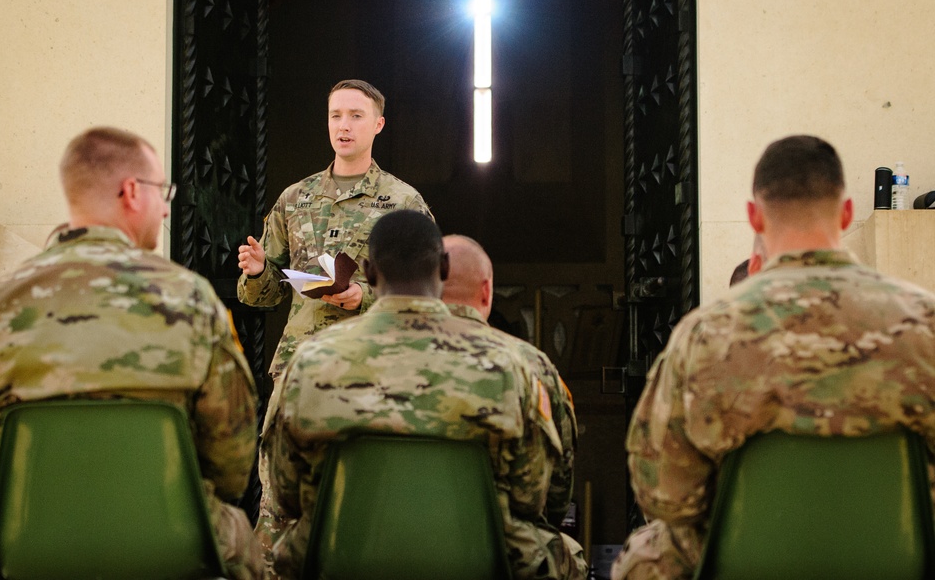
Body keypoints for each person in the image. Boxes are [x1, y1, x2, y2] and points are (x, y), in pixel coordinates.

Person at [0, 127, 263, 580]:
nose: (168, 206)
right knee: (243, 537)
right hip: (167, 545)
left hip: (25, 545)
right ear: (132, 192)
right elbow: (232, 464)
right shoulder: (190, 298)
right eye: (163, 191)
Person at [610, 134, 935, 580]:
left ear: (753, 216)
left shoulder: (705, 334)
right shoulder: (925, 322)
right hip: (902, 562)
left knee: (643, 556)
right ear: (846, 213)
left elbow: (662, 494)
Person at [260, 210, 587, 579]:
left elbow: (285, 492)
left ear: (368, 272)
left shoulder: (309, 362)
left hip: (342, 563)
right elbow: (540, 500)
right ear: (443, 268)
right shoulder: (516, 367)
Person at [236, 79, 432, 380]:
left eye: (356, 115)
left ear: (378, 124)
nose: (344, 126)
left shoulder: (403, 201)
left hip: (373, 368)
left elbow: (426, 290)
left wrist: (363, 296)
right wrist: (258, 271)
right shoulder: (295, 197)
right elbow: (262, 297)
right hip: (301, 365)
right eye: (335, 115)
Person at [441, 233, 579, 528]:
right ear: (487, 291)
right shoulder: (533, 366)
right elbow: (555, 497)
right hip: (499, 549)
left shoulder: (371, 358)